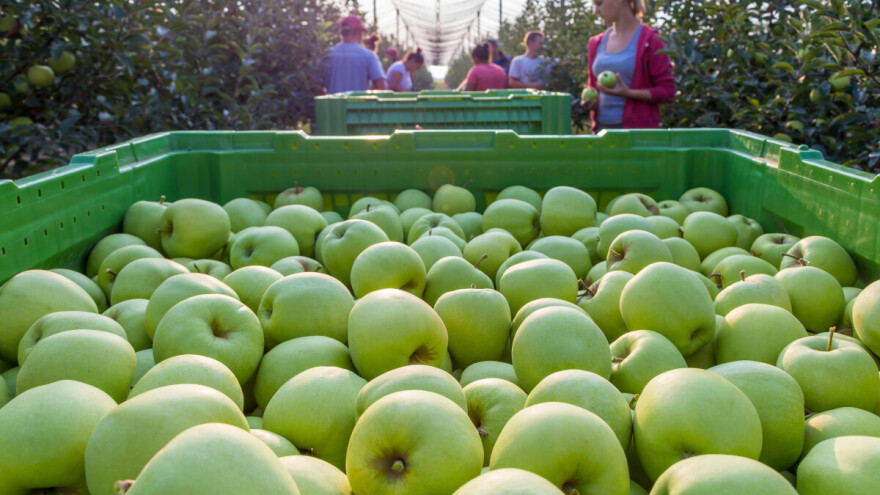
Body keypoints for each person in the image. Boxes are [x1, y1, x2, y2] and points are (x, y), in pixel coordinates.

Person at [581, 0, 675, 132]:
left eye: (599, 3)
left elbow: (667, 92)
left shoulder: (651, 41)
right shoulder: (596, 43)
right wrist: (590, 103)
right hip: (602, 129)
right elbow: (594, 88)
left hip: (638, 131)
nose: (595, 11)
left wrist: (628, 93)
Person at [321, 15, 386, 94]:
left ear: (341, 33)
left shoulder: (328, 55)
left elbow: (316, 86)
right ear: (359, 32)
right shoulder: (368, 56)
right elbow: (381, 86)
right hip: (360, 102)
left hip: (333, 102)